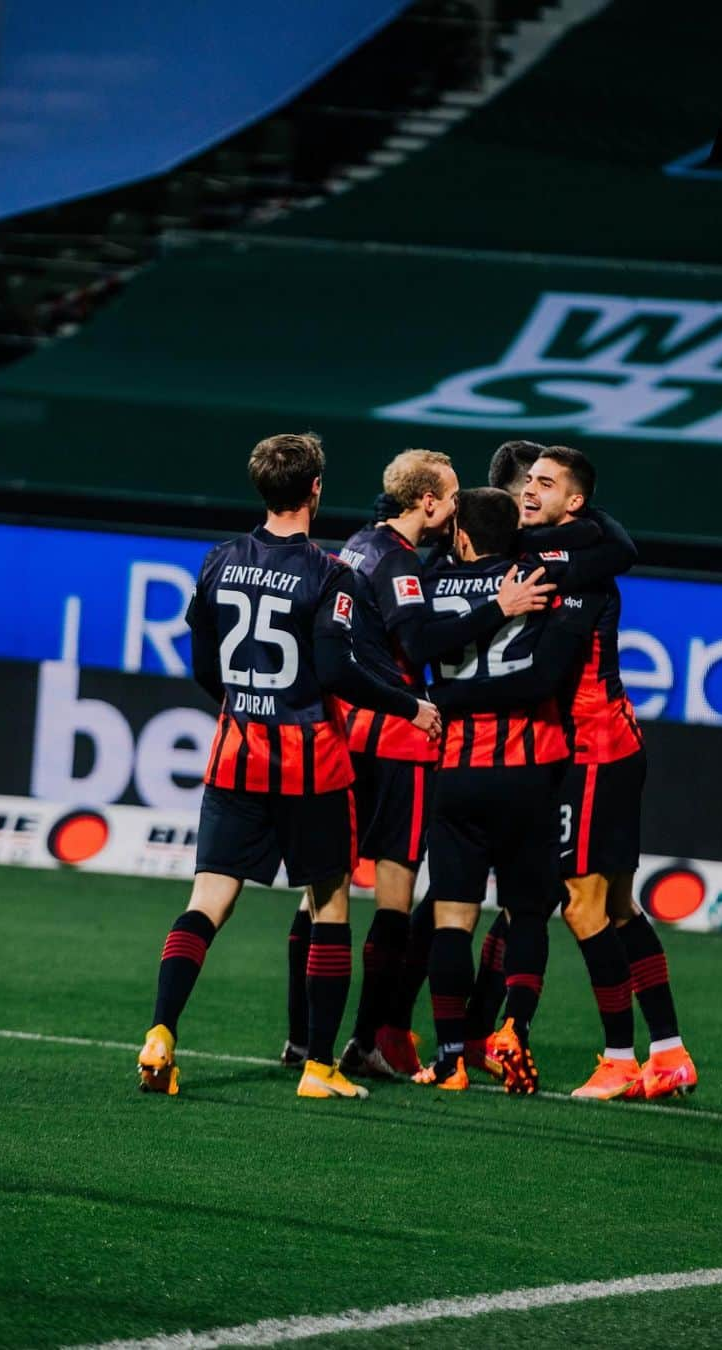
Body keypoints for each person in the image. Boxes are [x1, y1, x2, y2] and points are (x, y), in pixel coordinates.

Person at [137, 433, 441, 1101]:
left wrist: (245, 702)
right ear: (315, 490)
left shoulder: (220, 560)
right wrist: (406, 705)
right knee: (329, 905)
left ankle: (161, 1031)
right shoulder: (329, 573)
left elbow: (202, 665)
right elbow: (337, 669)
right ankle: (319, 1066)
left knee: (207, 902)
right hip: (310, 762)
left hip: (234, 754)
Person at [284, 450, 551, 1078]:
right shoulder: (402, 566)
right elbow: (420, 643)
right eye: (454, 496)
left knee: (322, 895)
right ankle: (367, 1039)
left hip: (346, 732)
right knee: (394, 902)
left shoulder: (357, 544)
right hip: (399, 734)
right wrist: (499, 607)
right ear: (427, 502)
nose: (459, 508)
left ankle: (301, 1038)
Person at [518, 446, 698, 1101]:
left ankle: (620, 1060)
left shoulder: (565, 563)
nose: (530, 490)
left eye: (546, 483)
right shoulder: (574, 546)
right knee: (619, 906)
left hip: (591, 745)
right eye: (528, 480)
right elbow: (617, 543)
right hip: (611, 739)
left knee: (582, 905)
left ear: (575, 502)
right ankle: (671, 1053)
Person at [414, 488, 588, 1093]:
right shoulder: (538, 585)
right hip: (527, 772)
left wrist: (443, 696)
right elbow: (544, 676)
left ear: (461, 535)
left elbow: (413, 649)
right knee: (527, 915)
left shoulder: (433, 586)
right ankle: (512, 1028)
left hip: (456, 773)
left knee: (452, 922)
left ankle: (449, 1058)